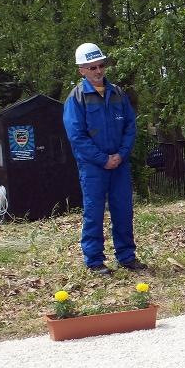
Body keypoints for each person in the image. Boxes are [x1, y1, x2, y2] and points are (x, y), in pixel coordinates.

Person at [63, 43, 146, 275]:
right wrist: (103, 159)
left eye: (101, 65)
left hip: (119, 164)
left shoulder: (118, 93)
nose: (98, 71)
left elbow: (130, 127)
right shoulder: (76, 98)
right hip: (93, 167)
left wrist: (121, 154)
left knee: (123, 210)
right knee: (94, 212)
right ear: (82, 70)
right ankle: (94, 261)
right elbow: (77, 136)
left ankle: (127, 257)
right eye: (92, 68)